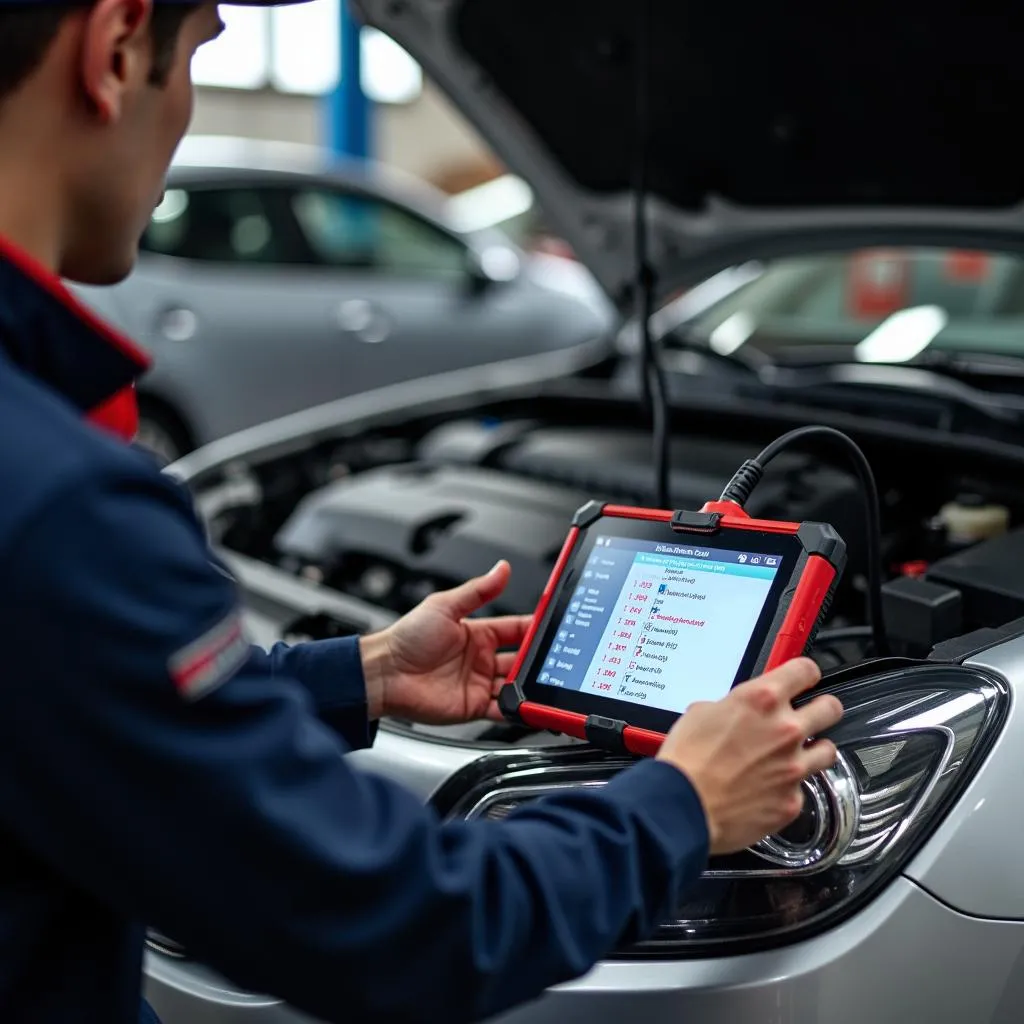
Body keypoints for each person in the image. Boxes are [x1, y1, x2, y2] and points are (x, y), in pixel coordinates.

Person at [0, 2, 845, 1022]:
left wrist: (358, 674)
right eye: (199, 54)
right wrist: (682, 803)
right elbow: (397, 921)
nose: (177, 115)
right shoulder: (59, 505)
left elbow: (67, 697)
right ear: (118, 47)